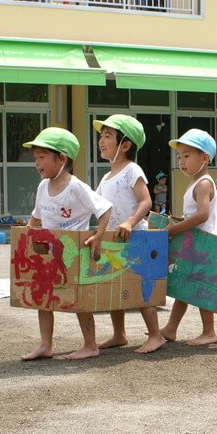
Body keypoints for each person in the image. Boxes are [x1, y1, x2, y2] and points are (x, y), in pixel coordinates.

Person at [21, 127, 112, 361]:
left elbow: (104, 209)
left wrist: (99, 236)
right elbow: (37, 217)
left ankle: (91, 345)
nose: (37, 163)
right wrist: (26, 239)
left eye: (41, 157)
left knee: (78, 299)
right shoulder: (43, 186)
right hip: (48, 252)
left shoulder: (76, 187)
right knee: (43, 297)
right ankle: (45, 344)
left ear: (61, 159)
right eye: (35, 158)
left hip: (73, 252)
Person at [93, 114, 165, 354]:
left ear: (125, 145)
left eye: (107, 136)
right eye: (101, 136)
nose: (101, 141)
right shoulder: (105, 177)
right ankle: (119, 334)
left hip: (136, 237)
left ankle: (155, 335)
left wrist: (130, 222)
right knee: (115, 285)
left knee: (139, 286)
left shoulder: (132, 170)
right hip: (114, 239)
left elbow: (146, 201)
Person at [160, 128, 217, 346]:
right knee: (183, 286)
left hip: (203, 244)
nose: (181, 161)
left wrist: (174, 229)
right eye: (179, 156)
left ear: (204, 158)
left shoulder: (204, 183)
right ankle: (170, 328)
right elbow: (193, 214)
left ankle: (209, 332)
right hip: (194, 243)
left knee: (201, 287)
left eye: (186, 156)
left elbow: (202, 215)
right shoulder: (196, 182)